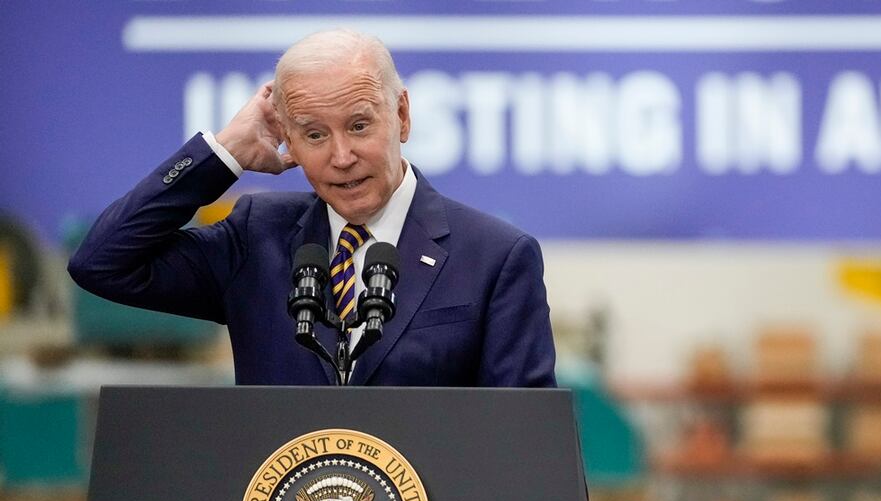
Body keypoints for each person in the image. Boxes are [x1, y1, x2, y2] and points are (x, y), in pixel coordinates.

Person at [68, 29, 556, 387]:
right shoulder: (256, 239)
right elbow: (103, 263)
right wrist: (223, 154)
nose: (341, 157)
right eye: (314, 134)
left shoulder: (495, 257)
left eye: (359, 126)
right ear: (288, 139)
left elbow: (525, 443)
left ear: (402, 116)